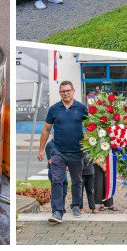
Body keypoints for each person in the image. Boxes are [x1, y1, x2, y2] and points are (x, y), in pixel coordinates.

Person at [37, 80, 88, 223]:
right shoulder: (54, 109)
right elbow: (46, 129)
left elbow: (90, 126)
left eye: (68, 90)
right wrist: (41, 149)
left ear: (73, 91)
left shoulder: (82, 108)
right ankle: (58, 211)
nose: (65, 93)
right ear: (60, 93)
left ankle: (76, 206)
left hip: (77, 152)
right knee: (57, 180)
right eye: (62, 91)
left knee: (77, 180)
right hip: (58, 151)